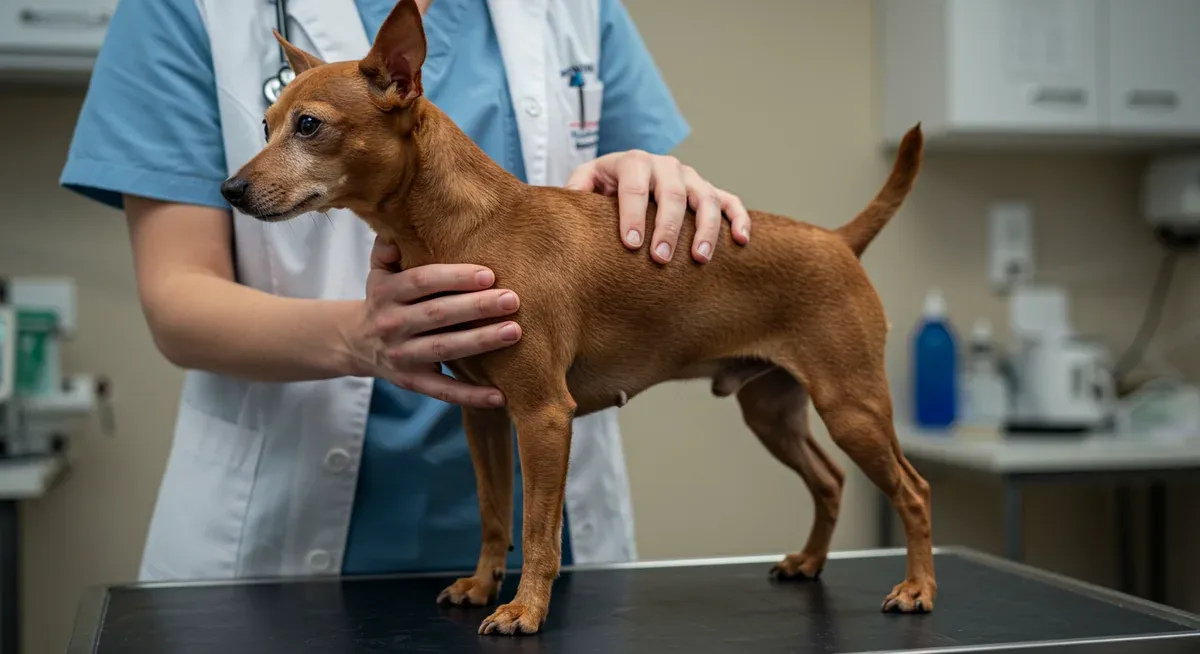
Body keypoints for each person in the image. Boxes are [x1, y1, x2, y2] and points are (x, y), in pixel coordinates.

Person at [60, 0, 751, 581]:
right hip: (287, 533)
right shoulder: (191, 9)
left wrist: (644, 180)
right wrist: (359, 337)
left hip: (551, 501)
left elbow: (628, 205)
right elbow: (177, 300)